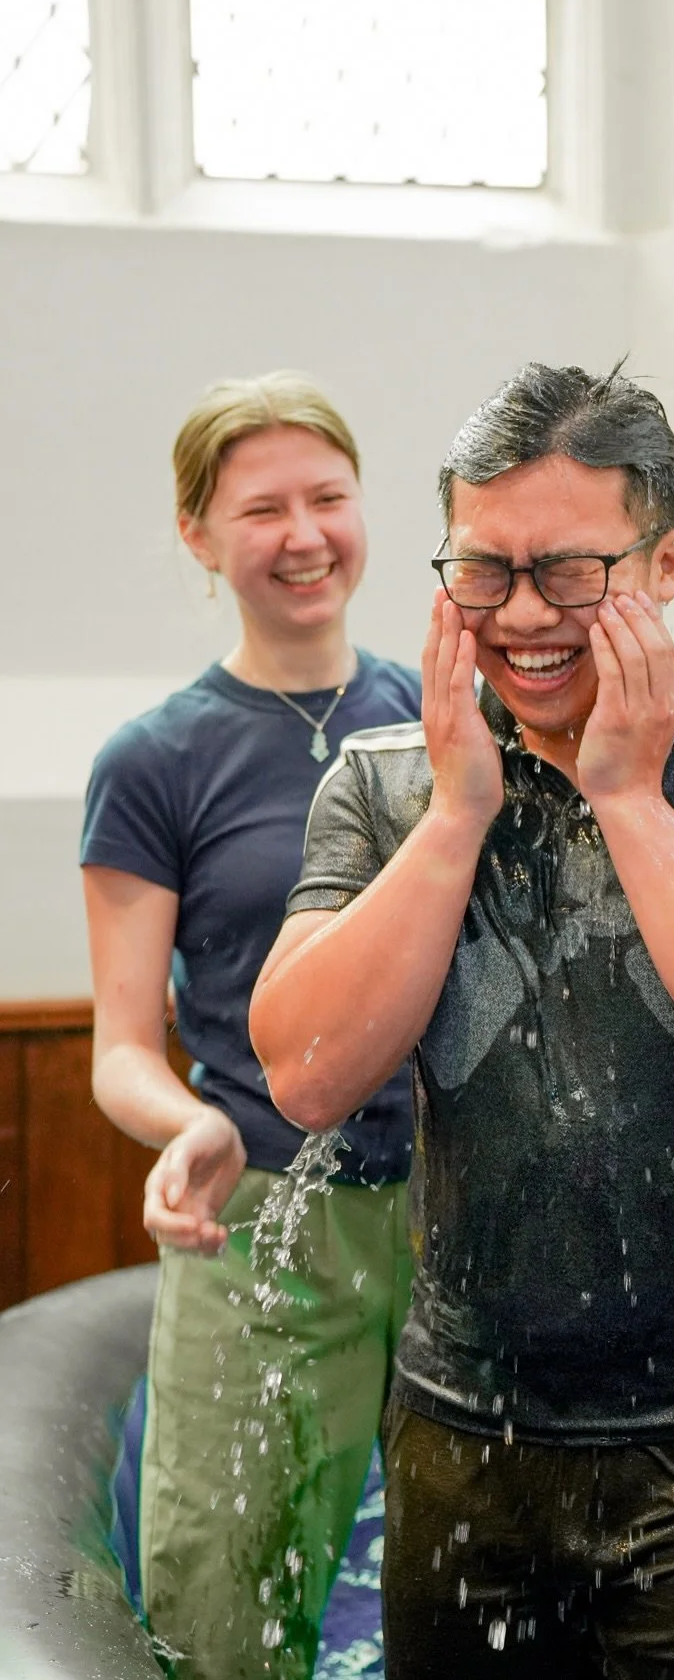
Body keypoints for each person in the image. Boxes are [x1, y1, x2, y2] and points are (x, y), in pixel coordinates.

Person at [249, 361, 674, 1679]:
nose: (522, 617)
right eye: (481, 573)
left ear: (664, 562)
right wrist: (452, 819)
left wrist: (634, 799)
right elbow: (306, 1077)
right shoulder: (387, 784)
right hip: (464, 1430)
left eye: (570, 573)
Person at [81, 372, 421, 1680]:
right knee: (226, 1612)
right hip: (270, 1214)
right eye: (262, 508)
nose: (305, 534)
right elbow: (121, 1048)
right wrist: (193, 1126)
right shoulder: (157, 762)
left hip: (462, 1216)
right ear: (198, 535)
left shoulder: (444, 725)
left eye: (328, 498)